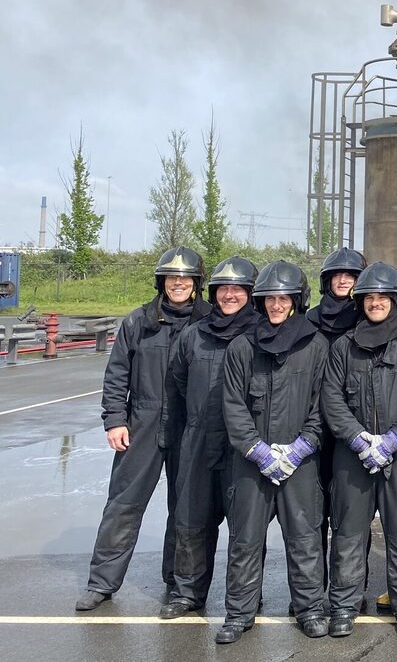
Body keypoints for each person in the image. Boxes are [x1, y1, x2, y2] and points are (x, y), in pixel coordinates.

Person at [76, 247, 210, 611]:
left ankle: (178, 582)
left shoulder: (210, 322)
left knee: (187, 509)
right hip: (142, 424)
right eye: (172, 278)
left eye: (185, 278)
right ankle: (102, 582)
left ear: (197, 283)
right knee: (123, 504)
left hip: (191, 427)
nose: (178, 284)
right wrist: (115, 420)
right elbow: (117, 374)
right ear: (162, 281)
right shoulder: (138, 322)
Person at [215, 261, 330, 644]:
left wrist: (301, 448)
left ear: (297, 301)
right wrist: (257, 451)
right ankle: (239, 613)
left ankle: (311, 609)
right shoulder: (242, 348)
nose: (276, 306)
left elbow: (323, 404)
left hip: (300, 463)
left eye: (284, 299)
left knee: (305, 539)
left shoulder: (316, 347)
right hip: (251, 464)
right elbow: (232, 405)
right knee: (245, 540)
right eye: (269, 299)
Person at [321, 262, 397, 638]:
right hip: (352, 456)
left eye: (382, 297)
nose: (375, 303)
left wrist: (393, 439)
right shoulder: (343, 347)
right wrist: (357, 438)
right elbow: (331, 399)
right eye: (369, 297)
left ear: (396, 300)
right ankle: (343, 606)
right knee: (348, 535)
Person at [160, 256, 260, 620]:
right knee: (192, 519)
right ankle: (187, 592)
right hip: (199, 440)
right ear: (213, 292)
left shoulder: (262, 334)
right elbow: (179, 383)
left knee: (245, 526)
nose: (229, 295)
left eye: (237, 289)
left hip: (243, 444)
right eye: (223, 289)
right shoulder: (194, 335)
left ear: (250, 294)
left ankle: (248, 593)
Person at [305, 246, 366, 593]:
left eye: (352, 276)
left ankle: (350, 589)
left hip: (352, 431)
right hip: (314, 432)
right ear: (327, 280)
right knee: (314, 516)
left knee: (349, 518)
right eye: (338, 275)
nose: (344, 280)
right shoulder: (309, 322)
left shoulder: (367, 321)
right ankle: (312, 590)